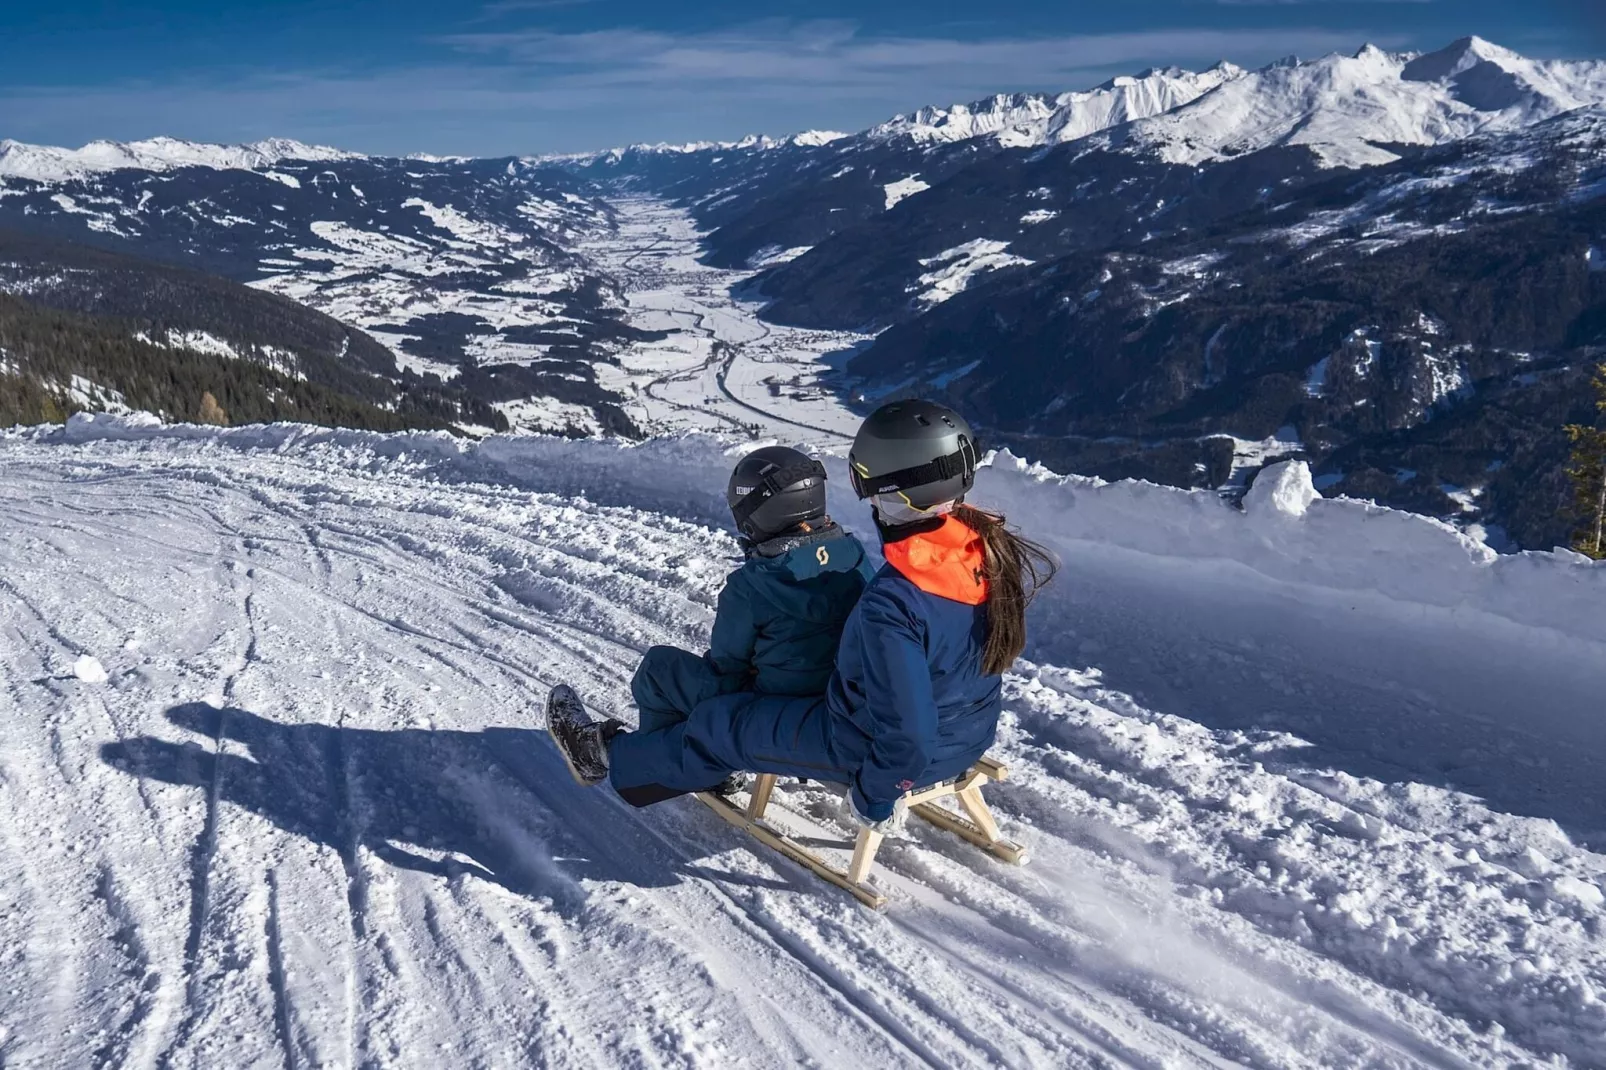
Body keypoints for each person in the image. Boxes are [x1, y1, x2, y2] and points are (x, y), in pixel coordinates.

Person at [546, 400, 1055, 833]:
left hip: (871, 748)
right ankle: (675, 760)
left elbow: (910, 734)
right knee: (732, 717)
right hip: (968, 735)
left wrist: (877, 797)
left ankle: (610, 760)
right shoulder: (983, 552)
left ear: (884, 493)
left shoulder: (894, 603)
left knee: (719, 723)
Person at [594, 445, 875, 761]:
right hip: (844, 700)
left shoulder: (750, 585)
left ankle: (666, 760)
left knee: (659, 670)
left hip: (775, 711)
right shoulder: (855, 557)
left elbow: (725, 667)